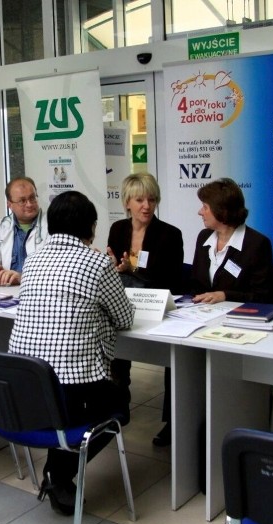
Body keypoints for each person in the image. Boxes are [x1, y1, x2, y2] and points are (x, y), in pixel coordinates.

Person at [9, 190, 134, 516]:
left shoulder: (33, 258)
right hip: (70, 383)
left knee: (78, 408)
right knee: (118, 407)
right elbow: (124, 318)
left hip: (26, 379)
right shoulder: (96, 263)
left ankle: (57, 474)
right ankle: (59, 473)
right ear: (91, 227)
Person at [107, 172, 183, 447]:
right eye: (140, 200)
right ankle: (118, 408)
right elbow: (116, 270)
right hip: (125, 302)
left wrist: (133, 269)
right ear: (127, 202)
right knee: (114, 346)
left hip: (158, 306)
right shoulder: (117, 229)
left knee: (174, 359)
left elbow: (171, 278)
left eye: (151, 199)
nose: (146, 206)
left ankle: (173, 422)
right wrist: (116, 267)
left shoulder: (170, 235)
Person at [190, 178, 273, 304]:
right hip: (201, 314)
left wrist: (225, 295)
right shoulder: (204, 237)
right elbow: (195, 285)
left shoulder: (257, 244)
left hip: (239, 317)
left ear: (221, 211)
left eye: (205, 207)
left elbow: (261, 296)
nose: (200, 212)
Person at [0, 176, 48, 286]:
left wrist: (23, 278)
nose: (29, 204)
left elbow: (57, 267)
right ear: (9, 204)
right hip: (7, 290)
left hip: (38, 290)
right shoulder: (2, 226)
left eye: (32, 198)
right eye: (22, 201)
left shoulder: (53, 225)